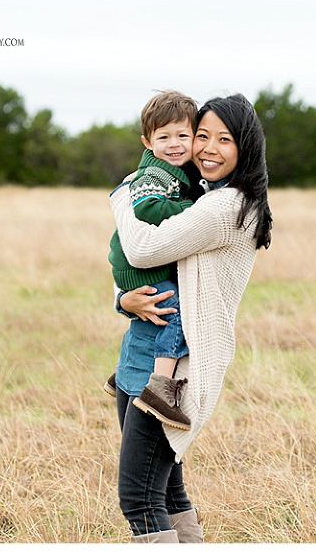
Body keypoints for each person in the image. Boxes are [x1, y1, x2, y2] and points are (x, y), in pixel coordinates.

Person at [108, 94, 273, 543]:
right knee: (166, 491)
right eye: (202, 135)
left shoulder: (225, 207)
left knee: (138, 499)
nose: (207, 148)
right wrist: (124, 300)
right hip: (142, 350)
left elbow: (141, 246)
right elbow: (144, 266)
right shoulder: (203, 193)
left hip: (175, 367)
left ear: (245, 147)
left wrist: (123, 194)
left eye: (224, 139)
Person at [106, 89, 208, 431]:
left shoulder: (181, 174)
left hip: (140, 265)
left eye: (183, 135)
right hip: (136, 265)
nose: (175, 143)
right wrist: (192, 209)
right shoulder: (157, 175)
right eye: (164, 136)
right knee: (175, 312)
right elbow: (146, 208)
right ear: (147, 142)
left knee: (165, 312)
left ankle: (121, 375)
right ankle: (160, 388)